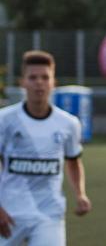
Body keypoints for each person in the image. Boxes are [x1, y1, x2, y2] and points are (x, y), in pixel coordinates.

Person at [0, 50, 91, 246]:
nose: (39, 82)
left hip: (48, 215)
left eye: (45, 77)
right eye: (32, 77)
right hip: (9, 213)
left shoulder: (68, 123)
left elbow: (73, 161)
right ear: (22, 83)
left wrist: (80, 194)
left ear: (53, 83)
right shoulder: (4, 120)